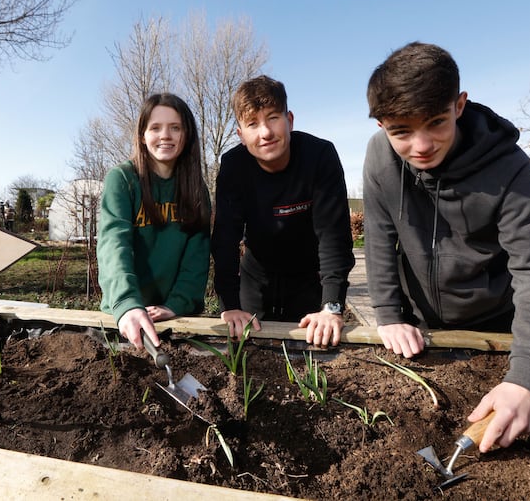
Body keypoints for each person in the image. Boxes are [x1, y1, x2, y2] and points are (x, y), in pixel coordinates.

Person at [363, 42, 530, 454]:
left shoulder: (508, 167)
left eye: (435, 122)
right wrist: (388, 315)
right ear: (382, 125)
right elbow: (380, 238)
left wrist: (526, 377)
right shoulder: (379, 157)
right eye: (401, 130)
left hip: (496, 328)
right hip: (420, 330)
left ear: (459, 105)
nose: (420, 145)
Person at [212, 75, 355, 347]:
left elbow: (333, 235)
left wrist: (332, 305)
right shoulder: (233, 167)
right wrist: (229, 304)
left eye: (273, 118)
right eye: (252, 124)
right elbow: (225, 239)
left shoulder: (320, 156)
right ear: (241, 135)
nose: (265, 132)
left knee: (310, 353)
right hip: (255, 280)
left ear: (289, 120)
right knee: (250, 354)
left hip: (308, 280)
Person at [98, 93, 211, 350]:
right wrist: (127, 304)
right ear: (142, 135)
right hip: (126, 314)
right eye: (155, 128)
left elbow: (197, 256)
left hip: (177, 316)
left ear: (187, 135)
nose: (165, 136)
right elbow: (114, 245)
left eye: (175, 127)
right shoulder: (123, 180)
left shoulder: (196, 189)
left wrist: (176, 304)